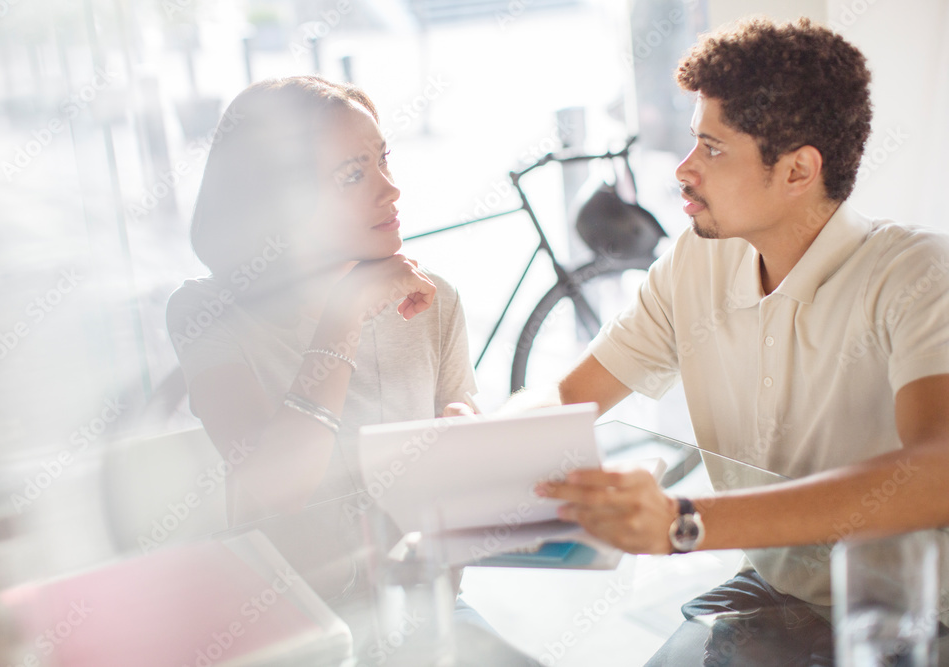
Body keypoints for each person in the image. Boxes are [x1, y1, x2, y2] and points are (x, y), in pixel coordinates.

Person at [529, 17, 949, 665]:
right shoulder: (694, 262)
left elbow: (936, 472)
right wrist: (473, 442)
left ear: (798, 170)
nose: (684, 168)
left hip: (917, 615)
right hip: (774, 591)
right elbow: (567, 399)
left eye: (713, 148)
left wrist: (684, 519)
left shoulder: (917, 273)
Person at [166, 75, 540, 666]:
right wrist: (346, 312)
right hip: (291, 629)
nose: (390, 189)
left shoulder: (433, 299)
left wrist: (464, 451)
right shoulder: (205, 314)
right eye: (351, 175)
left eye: (383, 159)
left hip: (420, 616)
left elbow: (451, 536)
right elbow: (279, 486)